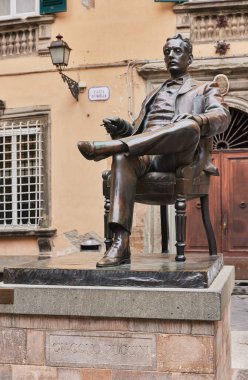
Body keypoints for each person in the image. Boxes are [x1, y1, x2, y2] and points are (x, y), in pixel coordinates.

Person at [78, 34, 230, 267]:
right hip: (148, 155)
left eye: (177, 51)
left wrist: (198, 119)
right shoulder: (152, 95)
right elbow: (138, 133)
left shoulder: (205, 89)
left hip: (178, 157)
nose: (171, 55)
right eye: (167, 52)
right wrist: (122, 129)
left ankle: (109, 148)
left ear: (190, 58)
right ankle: (121, 243)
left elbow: (222, 116)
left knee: (188, 127)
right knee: (123, 156)